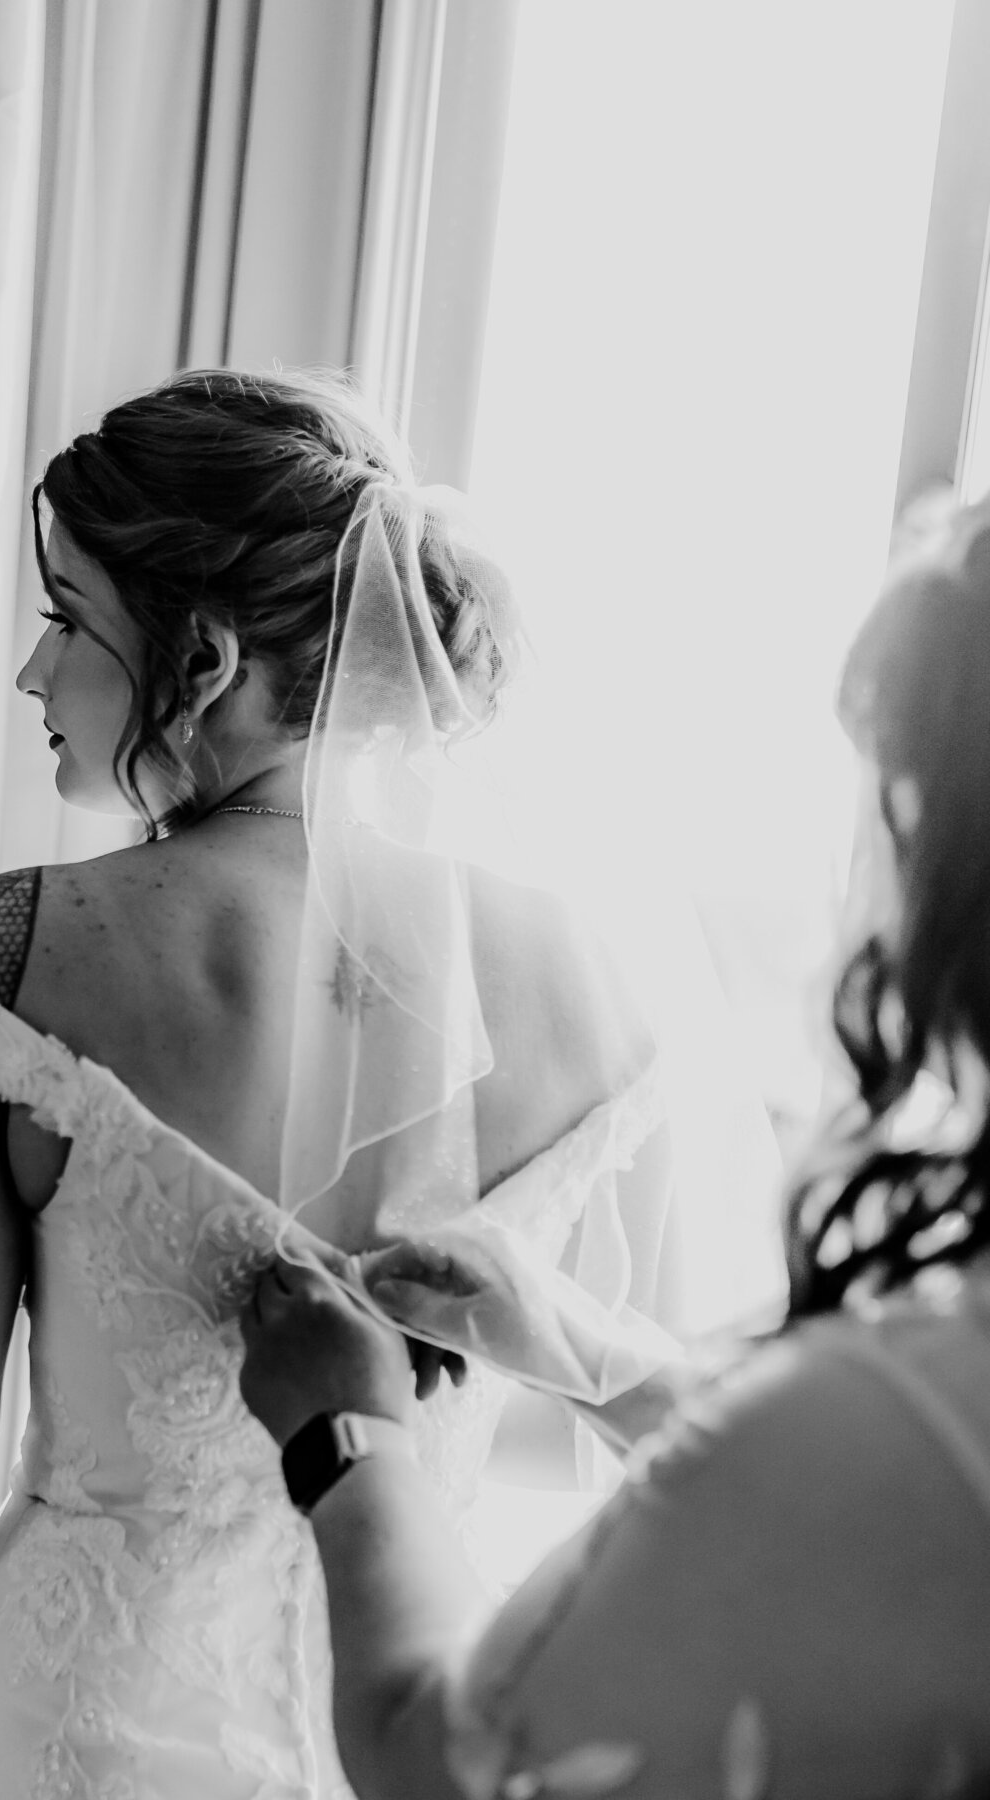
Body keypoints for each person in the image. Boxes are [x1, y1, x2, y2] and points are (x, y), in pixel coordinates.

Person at [0, 368, 676, 1800]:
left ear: (207, 659)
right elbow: (661, 1430)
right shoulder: (585, 982)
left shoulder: (11, 956)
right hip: (392, 1725)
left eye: (67, 621)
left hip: (53, 1744)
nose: (34, 676)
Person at [237, 491, 990, 1800]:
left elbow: (453, 1762)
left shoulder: (888, 1400)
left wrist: (347, 1438)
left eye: (898, 810)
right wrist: (587, 1349)